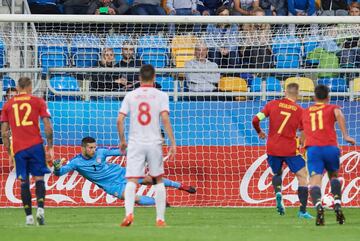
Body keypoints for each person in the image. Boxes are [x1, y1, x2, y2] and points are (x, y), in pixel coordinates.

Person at [53, 137, 195, 206]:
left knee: (150, 180)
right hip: (111, 185)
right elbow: (60, 173)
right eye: (90, 148)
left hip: (121, 173)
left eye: (94, 147)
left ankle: (181, 186)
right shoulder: (76, 162)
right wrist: (57, 168)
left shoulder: (101, 152)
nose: (93, 150)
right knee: (133, 198)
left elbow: (120, 152)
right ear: (83, 148)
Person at [117, 64, 176, 227]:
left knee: (132, 180)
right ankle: (160, 219)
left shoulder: (130, 95)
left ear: (139, 78)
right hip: (154, 142)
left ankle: (129, 214)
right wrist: (172, 142)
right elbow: (165, 119)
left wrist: (122, 140)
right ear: (154, 77)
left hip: (135, 143)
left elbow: (120, 120)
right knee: (158, 180)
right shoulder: (161, 95)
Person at [252, 83, 313, 219]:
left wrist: (260, 132)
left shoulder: (272, 104)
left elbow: (255, 119)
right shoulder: (300, 111)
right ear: (297, 95)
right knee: (303, 176)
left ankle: (278, 193)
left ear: (285, 92)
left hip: (273, 148)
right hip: (290, 149)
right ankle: (302, 211)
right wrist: (302, 142)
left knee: (277, 173)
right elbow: (304, 131)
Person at [1, 77, 54, 225]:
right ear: (31, 87)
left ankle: (29, 217)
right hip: (36, 146)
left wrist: (8, 152)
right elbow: (47, 126)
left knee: (23, 181)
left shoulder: (8, 104)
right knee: (39, 178)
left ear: (17, 88)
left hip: (19, 148)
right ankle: (41, 210)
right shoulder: (38, 101)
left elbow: (4, 132)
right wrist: (50, 147)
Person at [302, 84, 355, 226]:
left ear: (314, 97)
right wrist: (346, 135)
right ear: (328, 97)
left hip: (313, 149)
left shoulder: (306, 112)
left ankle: (319, 206)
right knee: (333, 176)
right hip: (331, 148)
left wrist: (301, 142)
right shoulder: (333, 108)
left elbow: (303, 130)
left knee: (315, 181)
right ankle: (337, 203)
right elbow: (339, 115)